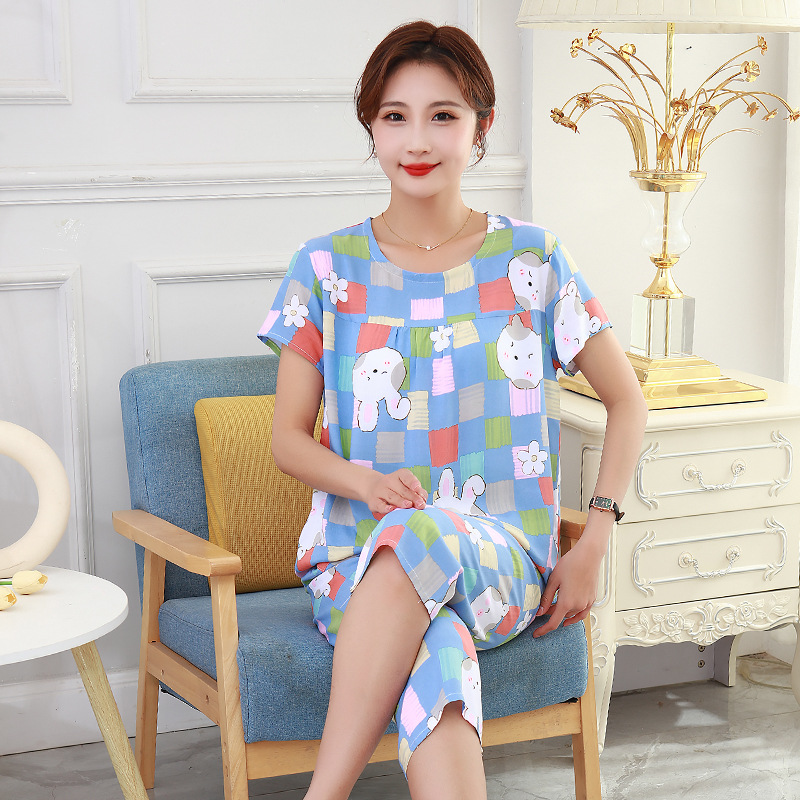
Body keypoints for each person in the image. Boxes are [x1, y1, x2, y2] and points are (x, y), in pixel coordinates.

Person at [258, 20, 647, 800]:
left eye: (443, 115)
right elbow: (286, 442)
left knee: (421, 530)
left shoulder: (533, 259)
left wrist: (595, 542)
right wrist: (367, 485)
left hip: (502, 561)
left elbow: (627, 400)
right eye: (395, 116)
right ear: (371, 128)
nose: (417, 139)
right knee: (438, 655)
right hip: (355, 567)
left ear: (481, 126)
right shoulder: (324, 268)